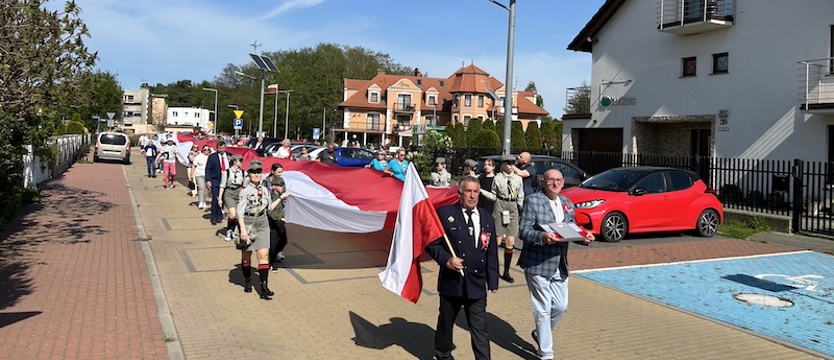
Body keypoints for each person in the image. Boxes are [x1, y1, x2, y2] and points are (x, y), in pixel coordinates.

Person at [518, 169, 594, 360]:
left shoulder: (567, 202)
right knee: (542, 309)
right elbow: (524, 231)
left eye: (559, 180)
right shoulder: (533, 201)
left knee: (561, 306)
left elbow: (571, 229)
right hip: (537, 263)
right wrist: (542, 236)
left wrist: (584, 237)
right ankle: (546, 353)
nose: (555, 183)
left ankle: (540, 334)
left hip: (560, 263)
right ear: (543, 182)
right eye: (551, 180)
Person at [425, 176, 498, 360]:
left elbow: (491, 252)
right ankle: (443, 355)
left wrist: (493, 280)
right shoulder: (445, 214)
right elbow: (432, 244)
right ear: (460, 193)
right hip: (453, 282)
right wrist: (447, 260)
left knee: (479, 328)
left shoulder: (487, 218)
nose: (472, 196)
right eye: (468, 191)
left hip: (476, 282)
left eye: (476, 192)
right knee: (446, 322)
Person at [236, 160, 274, 300]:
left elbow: (269, 207)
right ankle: (247, 280)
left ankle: (263, 287)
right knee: (246, 255)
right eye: (254, 173)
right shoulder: (245, 191)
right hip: (248, 223)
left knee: (263, 255)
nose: (257, 175)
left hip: (262, 222)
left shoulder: (265, 190)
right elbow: (239, 212)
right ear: (249, 175)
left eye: (259, 172)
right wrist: (242, 230)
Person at [490, 154, 524, 283]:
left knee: (510, 241)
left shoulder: (518, 179)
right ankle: (492, 269)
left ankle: (506, 272)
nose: (511, 166)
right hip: (500, 205)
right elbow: (494, 193)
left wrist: (521, 208)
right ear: (503, 164)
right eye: (508, 163)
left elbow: (520, 195)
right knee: (497, 241)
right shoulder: (498, 178)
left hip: (513, 206)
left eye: (513, 163)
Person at [219, 154, 246, 241]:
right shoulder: (226, 172)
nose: (241, 163)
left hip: (239, 193)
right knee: (232, 214)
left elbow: (245, 185)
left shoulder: (243, 173)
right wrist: (220, 198)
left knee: (238, 215)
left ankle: (234, 230)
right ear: (234, 162)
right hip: (229, 193)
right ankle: (229, 230)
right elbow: (222, 186)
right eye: (240, 161)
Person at [267, 174, 290, 271]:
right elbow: (270, 208)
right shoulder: (271, 196)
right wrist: (280, 198)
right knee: (273, 243)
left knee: (283, 241)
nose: (282, 187)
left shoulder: (281, 196)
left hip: (280, 221)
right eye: (279, 185)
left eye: (282, 185)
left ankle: (275, 255)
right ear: (273, 186)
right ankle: (271, 263)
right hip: (273, 222)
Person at [205, 141, 230, 225]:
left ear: (225, 148)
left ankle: (220, 216)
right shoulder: (212, 157)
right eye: (219, 148)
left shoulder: (229, 156)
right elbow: (208, 169)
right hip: (215, 180)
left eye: (223, 148)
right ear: (217, 148)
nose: (221, 150)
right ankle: (214, 217)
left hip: (226, 180)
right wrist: (208, 180)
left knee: (222, 199)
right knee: (216, 199)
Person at [191, 145, 211, 209]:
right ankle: (200, 202)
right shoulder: (198, 156)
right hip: (199, 174)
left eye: (208, 149)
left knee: (206, 189)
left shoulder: (211, 157)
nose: (206, 151)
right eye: (205, 150)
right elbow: (194, 165)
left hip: (208, 175)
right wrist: (192, 174)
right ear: (202, 150)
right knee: (201, 188)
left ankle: (204, 201)